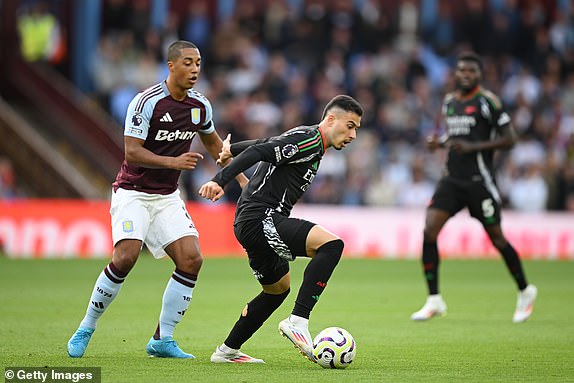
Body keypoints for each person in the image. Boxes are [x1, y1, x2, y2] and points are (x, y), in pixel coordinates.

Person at [67, 40, 247, 358]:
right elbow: (131, 152)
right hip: (132, 193)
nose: (194, 69)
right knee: (125, 257)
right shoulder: (146, 101)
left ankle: (163, 339)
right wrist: (173, 162)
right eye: (188, 63)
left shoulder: (200, 106)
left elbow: (216, 146)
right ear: (171, 65)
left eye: (198, 63)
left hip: (166, 197)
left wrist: (243, 181)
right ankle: (87, 326)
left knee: (192, 259)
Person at [198, 95, 363, 363]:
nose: (353, 135)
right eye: (351, 125)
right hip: (260, 218)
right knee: (332, 245)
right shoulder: (308, 140)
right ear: (331, 119)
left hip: (251, 221)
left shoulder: (308, 141)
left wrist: (233, 149)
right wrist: (219, 180)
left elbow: (263, 145)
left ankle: (227, 351)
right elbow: (259, 152)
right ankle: (298, 320)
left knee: (277, 289)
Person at [411, 52, 537, 323]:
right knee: (429, 229)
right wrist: (441, 142)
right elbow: (457, 136)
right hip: (452, 179)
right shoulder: (450, 102)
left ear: (480, 75)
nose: (465, 75)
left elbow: (510, 139)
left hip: (479, 181)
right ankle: (434, 300)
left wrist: (473, 147)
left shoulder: (488, 102)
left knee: (497, 239)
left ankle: (526, 290)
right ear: (456, 74)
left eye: (471, 71)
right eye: (461, 71)